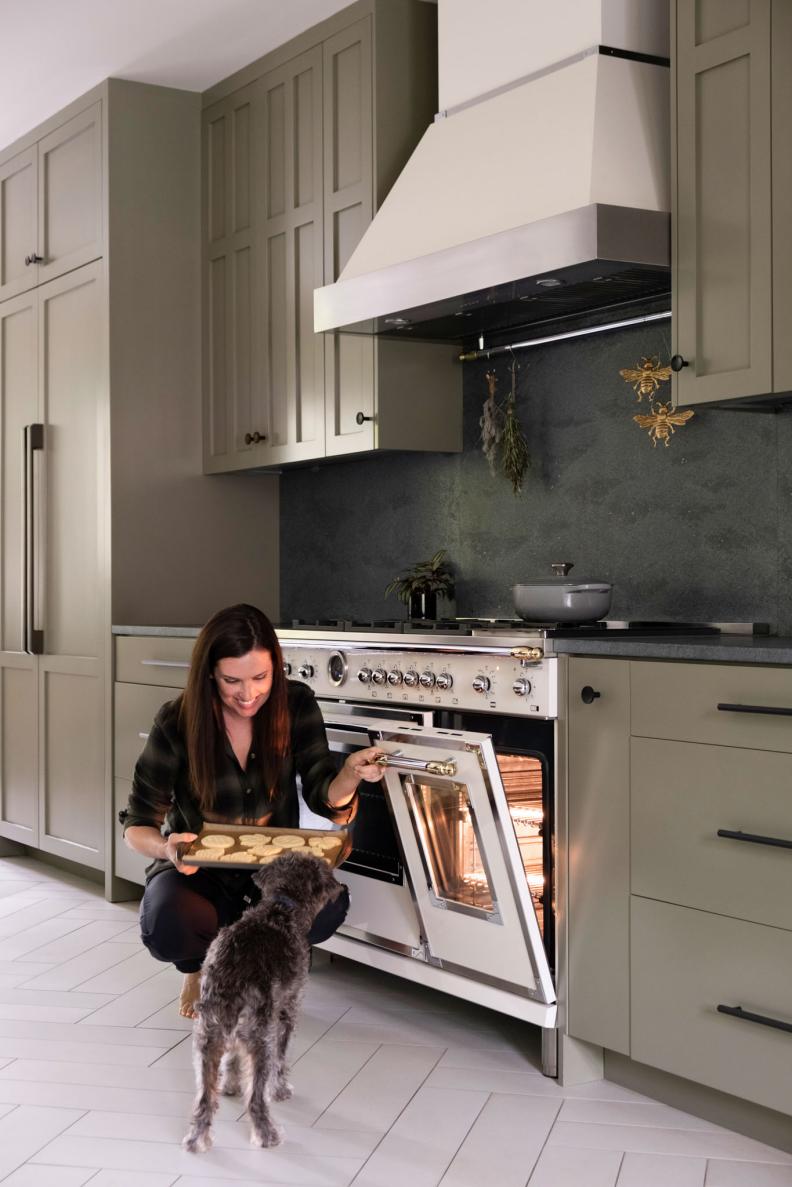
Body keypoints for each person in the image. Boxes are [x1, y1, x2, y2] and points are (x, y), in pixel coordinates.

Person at [119, 603, 383, 1018]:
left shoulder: (295, 705)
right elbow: (137, 823)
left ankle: (254, 964)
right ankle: (198, 966)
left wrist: (349, 773)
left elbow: (324, 797)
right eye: (232, 680)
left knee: (328, 906)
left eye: (260, 677)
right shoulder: (177, 720)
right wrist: (167, 848)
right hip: (197, 872)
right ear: (210, 673)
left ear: (276, 668)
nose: (248, 694)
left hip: (274, 870)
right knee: (170, 923)